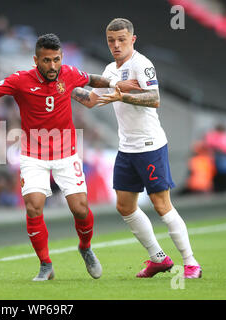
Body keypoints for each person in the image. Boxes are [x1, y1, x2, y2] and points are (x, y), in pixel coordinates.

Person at [0, 33, 141, 281]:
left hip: (66, 153)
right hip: (33, 155)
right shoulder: (20, 80)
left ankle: (85, 247)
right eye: (47, 61)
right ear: (36, 59)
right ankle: (46, 265)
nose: (52, 66)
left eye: (56, 60)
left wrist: (117, 85)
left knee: (80, 209)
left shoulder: (68, 73)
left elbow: (92, 80)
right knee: (34, 206)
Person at [71, 18, 202, 279]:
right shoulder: (110, 69)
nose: (116, 45)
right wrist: (64, 88)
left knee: (161, 205)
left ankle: (190, 263)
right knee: (125, 205)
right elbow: (92, 101)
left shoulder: (142, 64)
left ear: (133, 39)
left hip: (150, 145)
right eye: (111, 41)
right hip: (127, 148)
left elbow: (154, 99)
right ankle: (158, 259)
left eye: (121, 40)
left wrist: (123, 95)